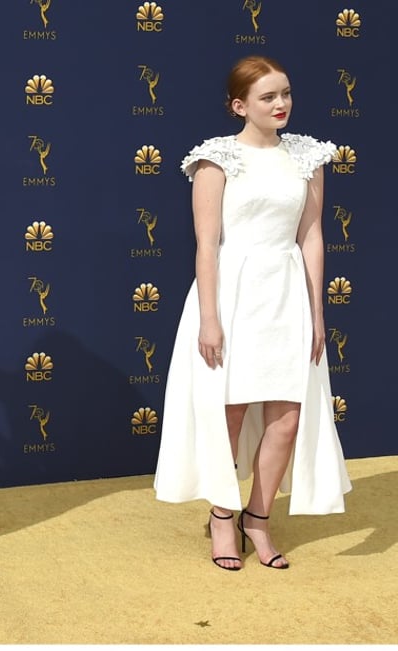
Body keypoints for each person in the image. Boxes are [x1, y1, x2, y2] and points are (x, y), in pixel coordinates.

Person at [153, 55, 351, 571]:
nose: (281, 104)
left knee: (287, 416)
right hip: (232, 292)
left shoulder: (307, 157)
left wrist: (317, 312)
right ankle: (222, 517)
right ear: (240, 105)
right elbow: (206, 244)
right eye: (268, 97)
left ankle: (257, 520)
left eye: (285, 93)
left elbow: (310, 235)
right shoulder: (216, 159)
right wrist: (210, 318)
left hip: (286, 292)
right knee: (232, 412)